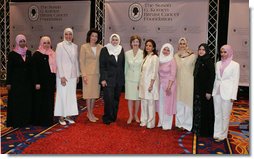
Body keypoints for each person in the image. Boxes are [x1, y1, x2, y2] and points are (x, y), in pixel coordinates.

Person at [212, 45, 240, 141]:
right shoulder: (218, 63)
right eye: (221, 52)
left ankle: (223, 135)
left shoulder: (235, 65)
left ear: (229, 52)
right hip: (217, 92)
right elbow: (216, 79)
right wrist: (213, 91)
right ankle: (216, 133)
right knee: (217, 114)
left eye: (225, 52)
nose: (223, 54)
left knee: (225, 115)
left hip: (228, 93)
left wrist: (233, 95)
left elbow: (235, 81)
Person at [6, 34, 33, 128]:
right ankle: (17, 121)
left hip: (27, 82)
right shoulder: (12, 54)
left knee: (26, 101)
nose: (22, 43)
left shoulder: (29, 52)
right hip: (16, 83)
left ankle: (26, 120)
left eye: (23, 41)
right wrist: (8, 82)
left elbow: (31, 68)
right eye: (20, 41)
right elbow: (9, 69)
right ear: (17, 42)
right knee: (17, 102)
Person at [54, 28, 80, 126]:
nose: (68, 36)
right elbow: (58, 61)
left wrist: (77, 74)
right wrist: (62, 76)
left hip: (72, 76)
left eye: (70, 34)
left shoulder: (75, 46)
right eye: (66, 34)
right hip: (63, 76)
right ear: (63, 35)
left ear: (72, 36)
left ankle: (68, 115)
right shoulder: (59, 46)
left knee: (71, 96)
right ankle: (61, 117)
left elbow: (76, 61)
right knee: (62, 95)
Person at [99, 33, 125, 125]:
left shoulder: (121, 49)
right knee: (108, 99)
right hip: (108, 79)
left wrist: (123, 79)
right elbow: (102, 66)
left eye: (116, 40)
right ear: (110, 40)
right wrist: (103, 79)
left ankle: (113, 117)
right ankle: (107, 118)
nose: (115, 41)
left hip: (118, 80)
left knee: (116, 99)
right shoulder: (105, 50)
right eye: (113, 39)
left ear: (119, 40)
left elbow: (122, 65)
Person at [32, 36, 56, 126]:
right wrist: (36, 82)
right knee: (40, 101)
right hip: (40, 83)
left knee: (49, 101)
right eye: (44, 43)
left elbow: (55, 69)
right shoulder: (36, 54)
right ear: (41, 43)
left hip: (50, 83)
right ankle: (39, 120)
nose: (46, 45)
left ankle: (48, 120)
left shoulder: (53, 54)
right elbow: (34, 70)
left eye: (48, 43)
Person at [79, 29, 103, 123]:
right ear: (89, 36)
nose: (94, 38)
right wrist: (83, 75)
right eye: (92, 36)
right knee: (88, 96)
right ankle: (88, 113)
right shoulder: (84, 47)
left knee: (94, 95)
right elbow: (81, 61)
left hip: (97, 74)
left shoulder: (101, 47)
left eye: (96, 36)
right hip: (87, 75)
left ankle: (91, 112)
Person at [192, 43, 215, 137]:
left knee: (205, 111)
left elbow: (212, 77)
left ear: (206, 51)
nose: (201, 51)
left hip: (205, 91)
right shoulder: (198, 60)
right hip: (198, 90)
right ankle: (197, 128)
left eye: (203, 50)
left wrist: (209, 91)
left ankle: (205, 131)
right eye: (199, 49)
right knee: (198, 110)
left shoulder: (209, 61)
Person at [174, 37, 197, 131]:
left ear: (186, 45)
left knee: (188, 104)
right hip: (178, 82)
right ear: (178, 45)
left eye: (184, 43)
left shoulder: (193, 56)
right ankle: (179, 123)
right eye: (180, 43)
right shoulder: (175, 56)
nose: (182, 45)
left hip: (189, 83)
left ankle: (187, 125)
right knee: (179, 103)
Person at [139, 39, 159, 129]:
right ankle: (143, 121)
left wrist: (151, 84)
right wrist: (139, 83)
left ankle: (150, 123)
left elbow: (154, 72)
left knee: (150, 103)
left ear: (153, 47)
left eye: (150, 45)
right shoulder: (145, 57)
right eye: (146, 45)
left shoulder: (154, 57)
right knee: (143, 103)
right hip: (143, 84)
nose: (148, 47)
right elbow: (142, 72)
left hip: (150, 84)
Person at [156, 43, 177, 130]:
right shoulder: (159, 60)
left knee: (168, 104)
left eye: (168, 50)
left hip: (169, 85)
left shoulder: (172, 60)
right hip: (161, 85)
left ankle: (167, 124)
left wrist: (169, 86)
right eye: (164, 49)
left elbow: (173, 74)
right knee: (160, 104)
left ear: (171, 51)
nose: (166, 51)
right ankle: (161, 121)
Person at [124, 35, 143, 124]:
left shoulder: (143, 53)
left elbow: (143, 68)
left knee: (137, 99)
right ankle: (131, 115)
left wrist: (141, 80)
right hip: (129, 79)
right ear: (131, 43)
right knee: (130, 98)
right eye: (133, 42)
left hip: (139, 79)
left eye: (137, 42)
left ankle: (136, 115)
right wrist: (124, 79)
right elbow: (125, 67)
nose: (135, 43)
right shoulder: (127, 53)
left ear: (139, 43)